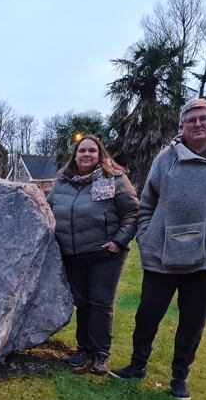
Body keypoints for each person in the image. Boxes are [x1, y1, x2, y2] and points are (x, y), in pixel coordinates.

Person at [110, 98, 206, 400]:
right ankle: (137, 366)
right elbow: (148, 201)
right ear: (182, 127)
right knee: (147, 316)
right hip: (162, 254)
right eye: (191, 120)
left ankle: (180, 378)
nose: (198, 124)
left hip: (205, 257)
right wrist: (147, 237)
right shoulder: (166, 158)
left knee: (192, 324)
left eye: (204, 118)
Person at [48, 135, 139, 375]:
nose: (86, 155)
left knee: (100, 303)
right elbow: (46, 210)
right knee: (82, 304)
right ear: (74, 155)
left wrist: (119, 242)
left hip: (104, 254)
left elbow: (132, 213)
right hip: (72, 255)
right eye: (81, 151)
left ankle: (100, 355)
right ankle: (84, 350)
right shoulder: (62, 183)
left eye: (92, 151)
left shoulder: (115, 180)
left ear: (100, 155)